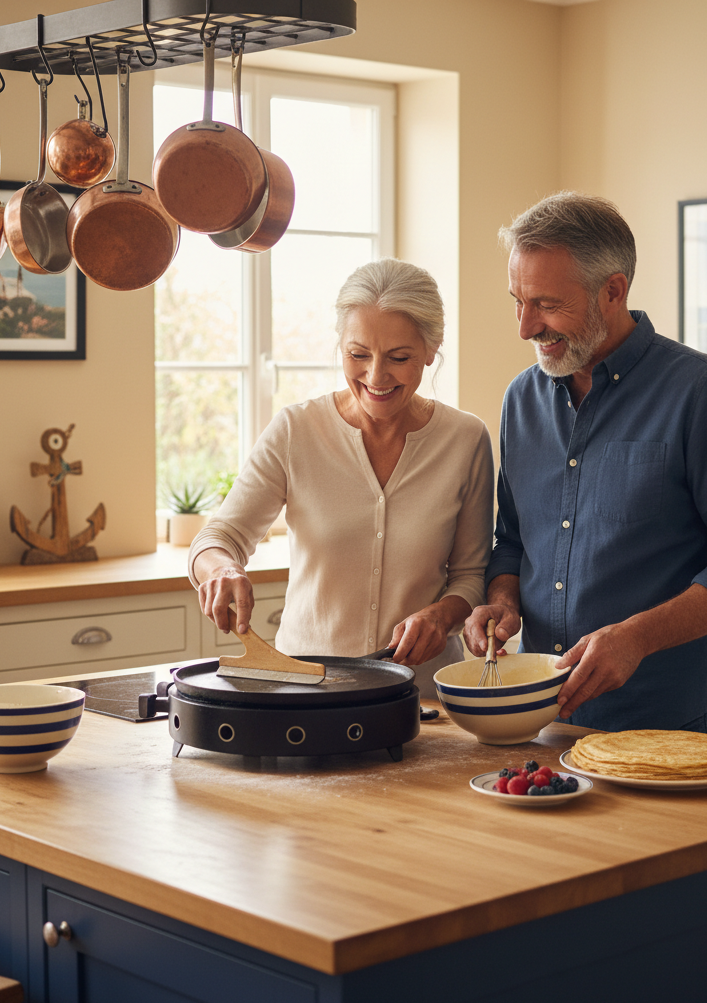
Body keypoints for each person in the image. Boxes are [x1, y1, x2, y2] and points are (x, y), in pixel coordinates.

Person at [462, 192, 707, 734]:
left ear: (613, 291)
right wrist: (501, 600)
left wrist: (636, 638)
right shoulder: (521, 399)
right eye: (517, 301)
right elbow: (513, 541)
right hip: (541, 719)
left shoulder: (704, 393)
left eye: (546, 304)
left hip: (664, 725)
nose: (525, 327)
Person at [189, 258, 494, 699]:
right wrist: (221, 569)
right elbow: (218, 538)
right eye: (358, 355)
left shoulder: (465, 439)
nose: (375, 376)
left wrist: (441, 616)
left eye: (399, 358)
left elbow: (471, 575)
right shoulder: (295, 430)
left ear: (432, 349)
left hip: (421, 698)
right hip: (305, 690)